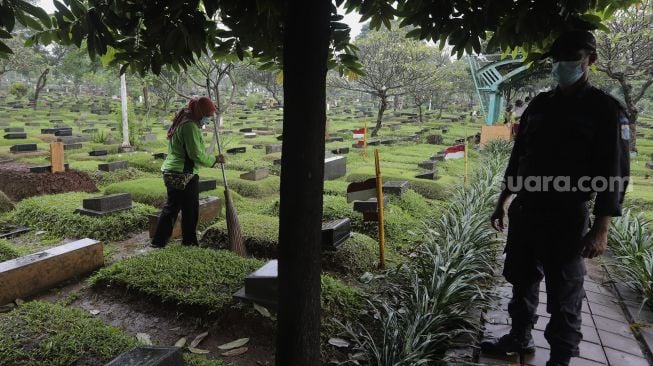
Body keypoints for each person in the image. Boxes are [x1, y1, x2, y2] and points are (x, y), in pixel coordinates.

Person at [482, 30, 630, 366]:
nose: (563, 64)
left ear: (590, 59)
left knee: (564, 294)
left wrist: (602, 227)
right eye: (559, 58)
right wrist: (503, 199)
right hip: (527, 210)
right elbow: (519, 156)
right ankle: (518, 337)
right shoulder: (541, 104)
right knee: (521, 280)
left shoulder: (605, 110)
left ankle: (560, 358)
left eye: (572, 57)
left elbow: (615, 171)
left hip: (566, 216)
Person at [151, 97, 224, 248]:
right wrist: (215, 160)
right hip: (184, 173)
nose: (208, 119)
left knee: (172, 207)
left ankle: (158, 241)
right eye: (208, 115)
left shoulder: (184, 120)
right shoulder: (190, 126)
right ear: (200, 112)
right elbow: (195, 154)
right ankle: (189, 243)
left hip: (172, 170)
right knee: (190, 209)